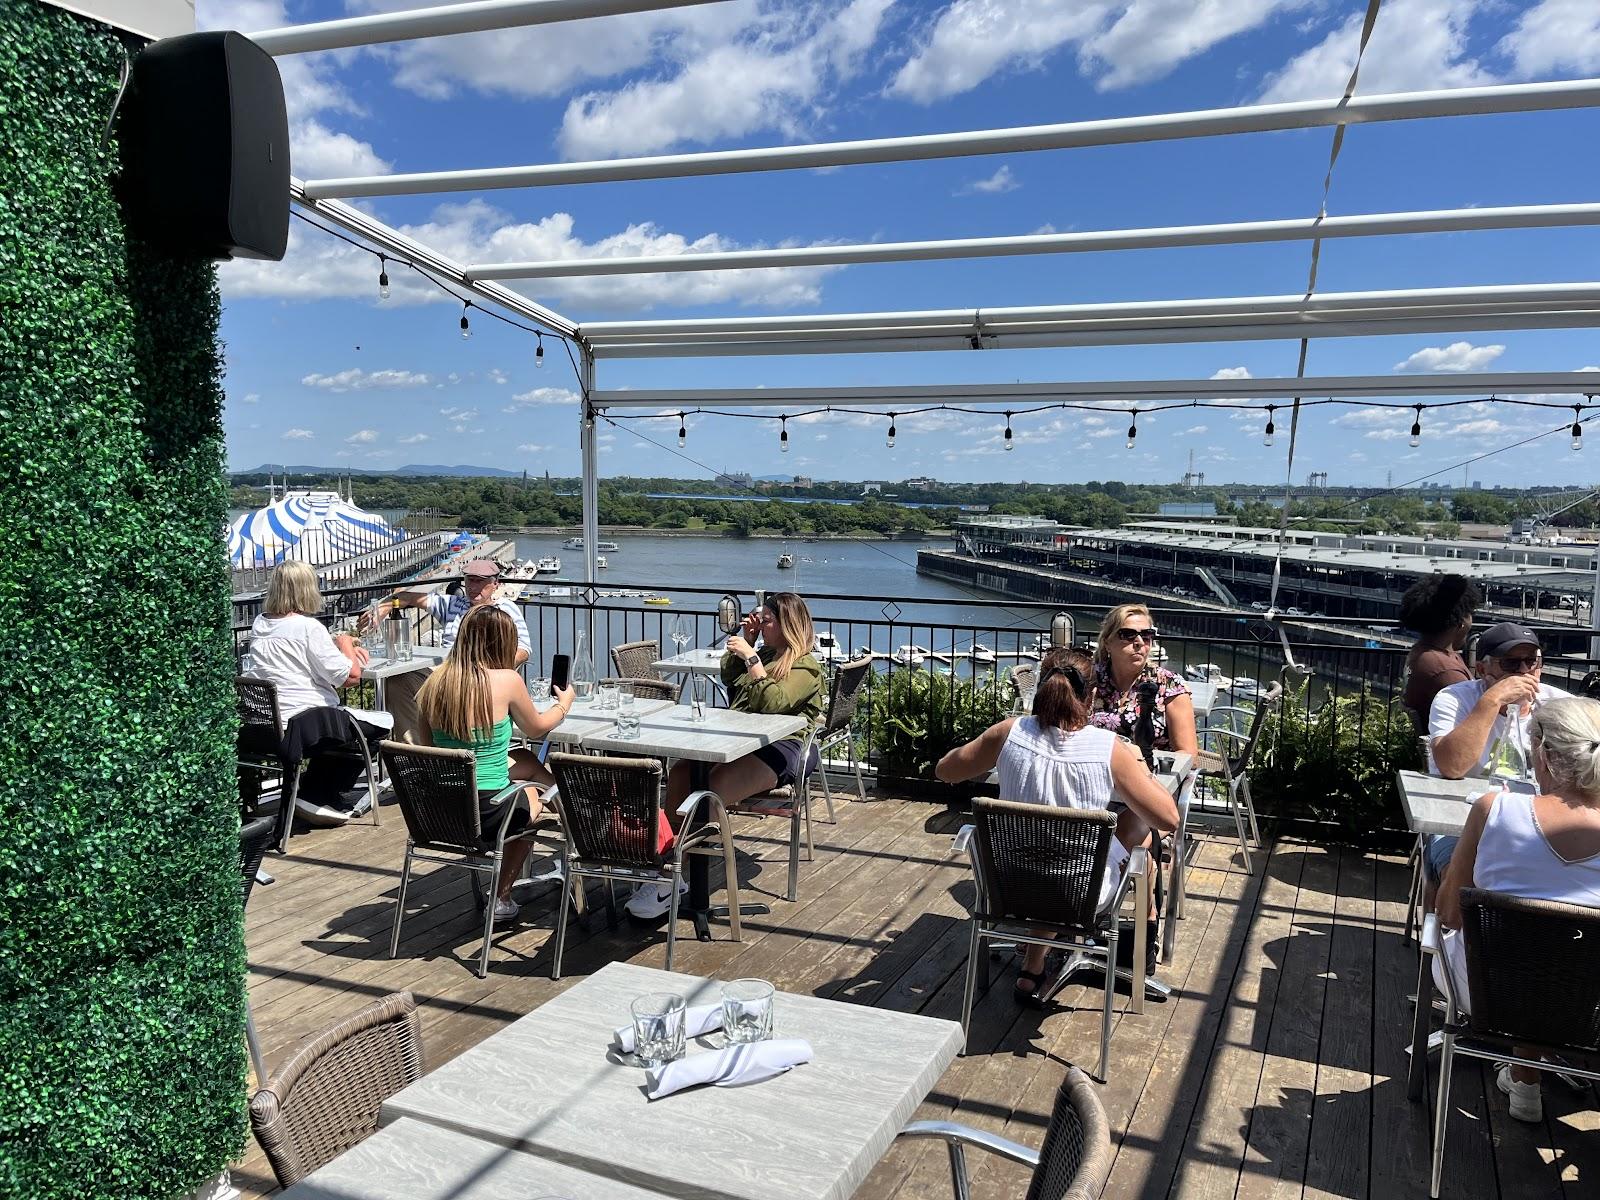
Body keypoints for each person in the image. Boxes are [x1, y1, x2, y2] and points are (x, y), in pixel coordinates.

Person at [936, 646, 1179, 1002]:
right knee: (1137, 824)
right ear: (1092, 697)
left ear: (1042, 689)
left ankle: (1032, 965)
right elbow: (1169, 818)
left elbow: (945, 771)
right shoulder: (1109, 749)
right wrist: (1137, 766)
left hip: (1009, 883)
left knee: (1044, 851)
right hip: (1080, 893)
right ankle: (1142, 942)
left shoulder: (1010, 732)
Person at [1435, 696, 1600, 1122]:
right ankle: (1525, 1079)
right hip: (1590, 1010)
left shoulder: (1494, 809)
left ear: (1543, 754)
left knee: (1523, 956)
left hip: (1487, 992)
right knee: (1561, 960)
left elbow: (1450, 914)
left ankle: (1527, 1081)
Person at [625, 591, 826, 921]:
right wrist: (747, 643)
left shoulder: (805, 666)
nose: (760, 624)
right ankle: (669, 867)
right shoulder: (766, 652)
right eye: (759, 619)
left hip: (780, 748)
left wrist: (751, 659)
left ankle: (670, 875)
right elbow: (730, 679)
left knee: (708, 795)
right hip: (740, 738)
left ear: (786, 623)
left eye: (766, 620)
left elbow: (772, 702)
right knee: (680, 772)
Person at [414, 606, 575, 923]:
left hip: (441, 810)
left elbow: (429, 749)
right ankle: (501, 897)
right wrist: (564, 704)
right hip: (485, 810)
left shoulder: (433, 682)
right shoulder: (506, 680)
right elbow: (537, 728)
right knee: (531, 803)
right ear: (501, 643)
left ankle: (572, 814)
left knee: (527, 762)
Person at [1422, 622, 1562, 908]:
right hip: (1458, 824)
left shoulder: (1559, 707)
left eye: (1531, 661)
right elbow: (1452, 767)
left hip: (1539, 828)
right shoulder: (1455, 699)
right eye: (1511, 663)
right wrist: (1491, 701)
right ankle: (1448, 945)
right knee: (1459, 883)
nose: (1523, 672)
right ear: (1483, 670)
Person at [245, 560, 389, 819]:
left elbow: (295, 660)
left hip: (266, 725)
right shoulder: (309, 628)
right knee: (376, 729)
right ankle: (317, 794)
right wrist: (345, 643)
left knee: (343, 728)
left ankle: (312, 794)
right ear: (307, 589)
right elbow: (351, 677)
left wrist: (338, 650)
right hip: (303, 726)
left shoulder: (260, 624)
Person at [368, 558, 530, 739]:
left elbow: (523, 649)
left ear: (495, 584)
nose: (473, 586)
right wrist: (382, 608)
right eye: (470, 580)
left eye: (480, 581)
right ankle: (416, 753)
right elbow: (408, 597)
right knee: (398, 680)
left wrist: (493, 671)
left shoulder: (505, 609)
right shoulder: (454, 604)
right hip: (444, 677)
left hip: (482, 680)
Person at [1087, 603, 1198, 757]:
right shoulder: (1089, 679)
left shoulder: (1170, 685)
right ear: (1107, 643)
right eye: (1127, 634)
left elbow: (1189, 756)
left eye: (1146, 635)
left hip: (1150, 774)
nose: (1139, 641)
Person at [1399, 574, 1482, 722]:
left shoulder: (1422, 652)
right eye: (1470, 613)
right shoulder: (1445, 671)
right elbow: (1475, 718)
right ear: (1461, 621)